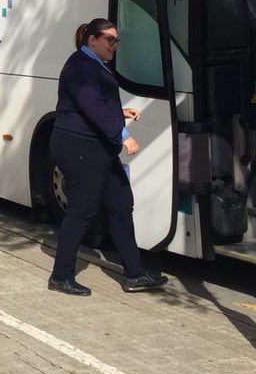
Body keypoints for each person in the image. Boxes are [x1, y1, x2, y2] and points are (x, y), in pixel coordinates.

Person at [48, 18, 168, 296]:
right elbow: (91, 107)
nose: (115, 45)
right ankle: (61, 276)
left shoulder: (93, 65)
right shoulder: (79, 65)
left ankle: (135, 275)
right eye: (110, 40)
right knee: (82, 210)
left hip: (97, 148)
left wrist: (120, 113)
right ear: (92, 40)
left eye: (117, 41)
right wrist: (123, 135)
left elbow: (97, 105)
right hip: (79, 148)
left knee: (121, 205)